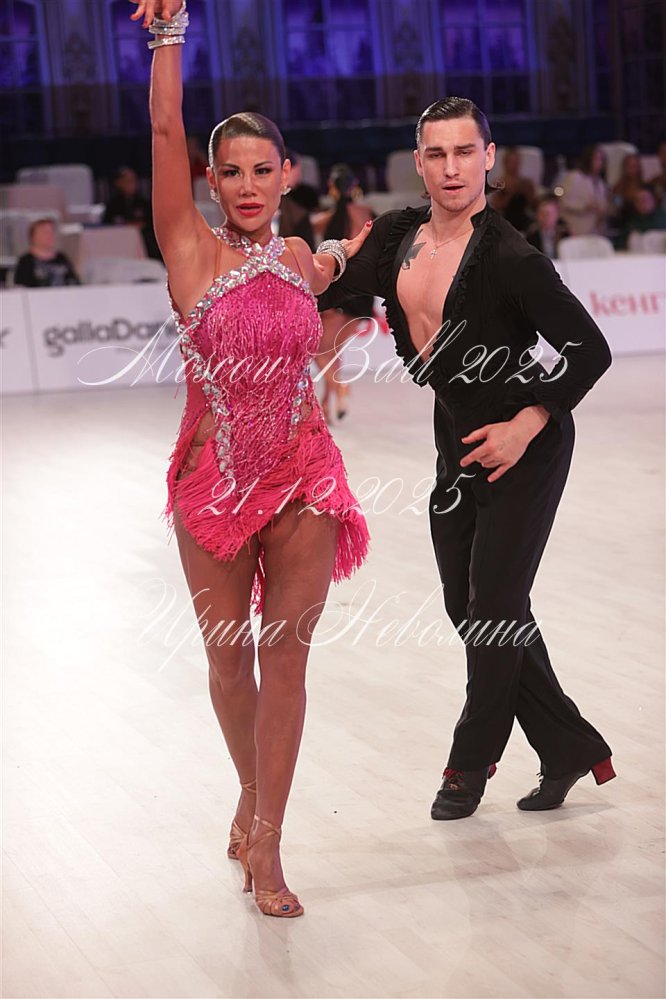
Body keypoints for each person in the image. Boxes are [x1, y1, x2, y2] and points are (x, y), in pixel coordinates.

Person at [130, 0, 372, 919]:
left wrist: (356, 274)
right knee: (231, 664)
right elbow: (164, 127)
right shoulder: (188, 247)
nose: (246, 184)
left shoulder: (304, 259)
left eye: (262, 169)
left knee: (288, 660)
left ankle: (268, 837)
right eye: (229, 171)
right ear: (210, 178)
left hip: (306, 474)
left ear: (287, 174)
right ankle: (250, 791)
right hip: (215, 481)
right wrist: (169, 36)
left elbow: (328, 305)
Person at [317, 96, 616, 821]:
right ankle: (570, 746)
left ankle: (468, 764)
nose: (451, 168)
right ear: (418, 163)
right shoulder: (396, 234)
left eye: (464, 152)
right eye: (437, 154)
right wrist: (326, 257)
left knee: (496, 610)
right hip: (455, 436)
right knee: (469, 604)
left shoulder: (512, 257)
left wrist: (528, 422)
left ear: (488, 157)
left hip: (524, 444)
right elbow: (343, 286)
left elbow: (590, 350)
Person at [311, 163, 375, 422]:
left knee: (319, 349)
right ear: (354, 186)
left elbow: (310, 230)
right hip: (363, 293)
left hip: (339, 291)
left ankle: (340, 387)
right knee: (331, 350)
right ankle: (327, 404)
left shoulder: (327, 218)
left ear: (331, 187)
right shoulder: (366, 212)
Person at [103, 165, 162, 260]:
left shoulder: (143, 203)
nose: (132, 184)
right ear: (118, 183)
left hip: (144, 241)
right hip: (119, 241)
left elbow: (151, 223)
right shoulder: (112, 205)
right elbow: (107, 225)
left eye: (134, 180)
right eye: (128, 181)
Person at [559, 143, 610, 236]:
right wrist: (584, 207)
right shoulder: (574, 177)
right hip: (575, 229)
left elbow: (603, 206)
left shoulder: (601, 183)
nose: (599, 163)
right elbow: (563, 201)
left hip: (595, 231)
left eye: (602, 160)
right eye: (596, 159)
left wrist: (603, 210)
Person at [14, 218, 80, 287]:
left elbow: (76, 284)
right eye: (44, 232)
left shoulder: (62, 258)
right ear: (33, 236)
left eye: (51, 231)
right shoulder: (25, 261)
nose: (49, 235)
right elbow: (22, 288)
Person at [489, 145, 537, 232]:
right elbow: (495, 206)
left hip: (524, 221)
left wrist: (527, 192)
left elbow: (534, 205)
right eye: (511, 162)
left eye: (516, 162)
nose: (514, 165)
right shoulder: (499, 182)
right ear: (505, 163)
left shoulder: (526, 183)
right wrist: (510, 194)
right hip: (505, 220)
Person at [277, 148, 317, 251]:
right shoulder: (297, 213)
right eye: (298, 169)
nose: (299, 174)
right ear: (287, 169)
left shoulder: (303, 196)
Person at [616, 185, 666, 249]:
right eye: (638, 200)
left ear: (654, 200)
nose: (642, 203)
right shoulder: (631, 221)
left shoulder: (663, 218)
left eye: (645, 199)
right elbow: (621, 244)